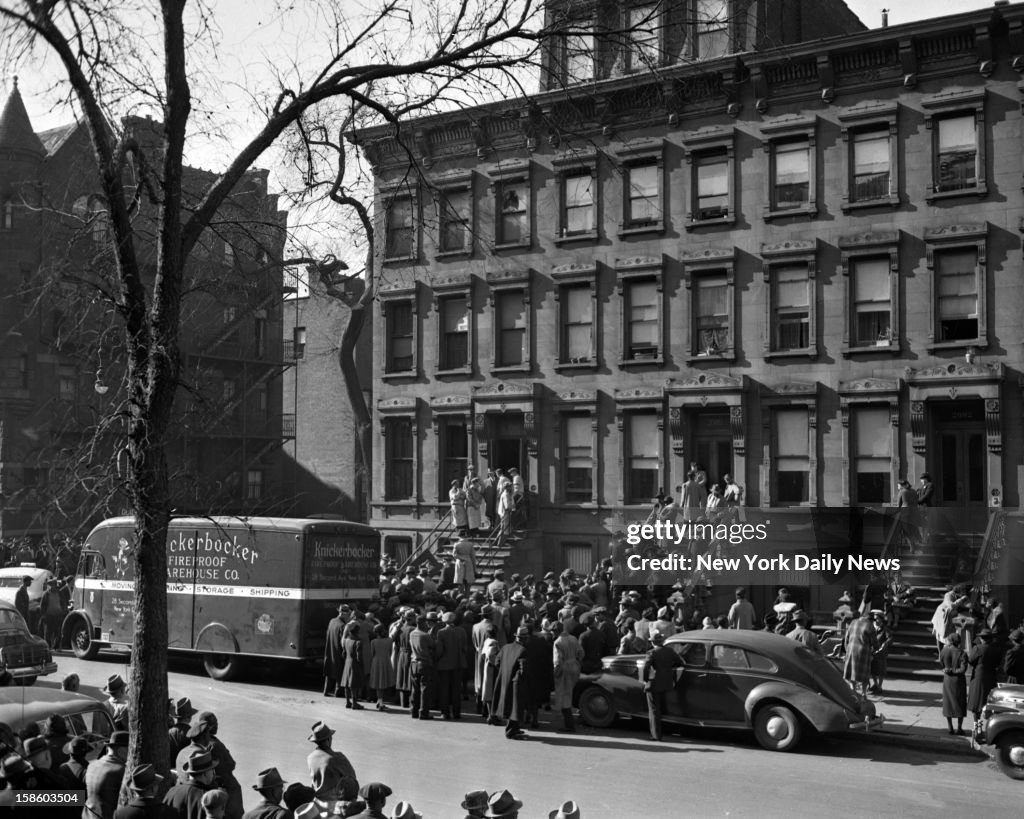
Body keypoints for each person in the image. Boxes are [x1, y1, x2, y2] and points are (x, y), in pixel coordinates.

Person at [492, 626, 531, 739]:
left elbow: (497, 662)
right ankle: (511, 731)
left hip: (504, 680)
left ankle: (515, 728)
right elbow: (523, 669)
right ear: (524, 638)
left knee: (509, 705)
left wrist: (505, 671)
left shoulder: (505, 647)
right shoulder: (523, 650)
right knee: (515, 706)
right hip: (516, 683)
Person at [643, 631, 683, 741]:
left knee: (654, 710)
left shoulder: (651, 653)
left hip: (654, 684)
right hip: (666, 683)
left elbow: (646, 668)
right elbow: (680, 662)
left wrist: (645, 680)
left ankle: (656, 735)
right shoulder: (670, 651)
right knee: (661, 707)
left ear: (653, 643)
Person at [306, 721, 358, 800]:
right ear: (328, 739)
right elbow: (352, 778)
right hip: (334, 801)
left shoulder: (310, 757)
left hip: (317, 800)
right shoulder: (337, 758)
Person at [84, 730, 130, 819]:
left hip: (88, 815)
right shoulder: (121, 770)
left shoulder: (92, 765)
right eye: (129, 750)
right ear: (121, 751)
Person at [164, 748, 217, 819]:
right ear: (205, 773)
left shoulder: (172, 792)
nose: (213, 773)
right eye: (212, 770)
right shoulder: (207, 798)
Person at [551, 620, 582, 733]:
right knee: (570, 693)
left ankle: (569, 724)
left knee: (564, 696)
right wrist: (577, 663)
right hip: (575, 666)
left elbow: (557, 661)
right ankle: (570, 723)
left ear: (556, 631)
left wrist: (555, 673)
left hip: (564, 669)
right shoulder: (573, 638)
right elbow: (581, 653)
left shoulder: (557, 642)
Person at [436, 611, 468, 720]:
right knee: (456, 690)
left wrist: (437, 659)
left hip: (444, 665)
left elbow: (439, 650)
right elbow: (465, 647)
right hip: (458, 663)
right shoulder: (461, 631)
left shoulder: (441, 632)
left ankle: (445, 713)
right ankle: (456, 712)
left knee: (444, 690)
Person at [409, 615, 438, 720]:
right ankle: (423, 712)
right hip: (424, 663)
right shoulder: (425, 635)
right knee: (425, 689)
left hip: (413, 663)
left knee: (415, 688)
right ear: (422, 623)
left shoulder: (412, 634)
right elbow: (434, 645)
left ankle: (413, 710)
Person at [967, 629, 1001, 721]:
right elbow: (998, 663)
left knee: (977, 704)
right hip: (991, 677)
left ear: (981, 639)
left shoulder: (977, 648)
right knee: (989, 704)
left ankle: (977, 727)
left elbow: (970, 660)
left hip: (979, 678)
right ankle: (988, 727)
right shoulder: (996, 650)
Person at [940, 632, 968, 735]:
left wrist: (948, 670)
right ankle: (959, 728)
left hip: (947, 680)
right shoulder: (962, 653)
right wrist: (953, 670)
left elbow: (941, 663)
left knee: (948, 703)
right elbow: (963, 669)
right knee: (960, 703)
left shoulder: (944, 650)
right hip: (958, 681)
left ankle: (950, 727)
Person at [843, 610, 876, 697]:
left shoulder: (853, 622)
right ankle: (863, 693)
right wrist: (875, 650)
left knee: (852, 672)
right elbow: (874, 642)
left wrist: (847, 649)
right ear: (870, 619)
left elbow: (846, 637)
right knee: (864, 673)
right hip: (863, 651)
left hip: (851, 649)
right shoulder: (870, 625)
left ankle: (852, 689)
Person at [931, 589, 967, 657]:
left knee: (946, 637)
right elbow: (951, 606)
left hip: (948, 618)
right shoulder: (948, 595)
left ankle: (945, 656)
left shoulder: (958, 595)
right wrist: (961, 599)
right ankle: (940, 655)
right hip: (941, 616)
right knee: (939, 636)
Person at [369, 623, 396, 711]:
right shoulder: (389, 640)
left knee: (378, 683)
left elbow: (372, 653)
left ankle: (380, 701)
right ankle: (380, 702)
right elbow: (390, 652)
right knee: (383, 682)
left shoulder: (373, 641)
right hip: (386, 661)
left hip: (376, 662)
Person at [323, 603, 348, 697]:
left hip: (329, 650)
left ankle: (326, 690)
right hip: (338, 652)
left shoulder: (332, 621)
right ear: (345, 614)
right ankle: (338, 692)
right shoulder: (343, 625)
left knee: (329, 671)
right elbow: (343, 641)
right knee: (339, 671)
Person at [168, 697, 199, 770]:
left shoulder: (169, 732)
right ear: (189, 717)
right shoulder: (192, 733)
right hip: (185, 770)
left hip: (171, 769)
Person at [341, 619, 365, 710]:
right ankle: (354, 703)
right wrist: (361, 665)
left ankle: (347, 702)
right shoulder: (358, 642)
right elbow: (359, 657)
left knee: (347, 683)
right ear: (357, 630)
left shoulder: (346, 640)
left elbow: (343, 653)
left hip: (347, 662)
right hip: (354, 664)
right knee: (354, 684)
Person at [870, 610, 892, 694]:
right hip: (873, 651)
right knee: (872, 669)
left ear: (882, 619)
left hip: (881, 653)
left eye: (877, 619)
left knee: (880, 670)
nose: (876, 621)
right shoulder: (873, 628)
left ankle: (880, 686)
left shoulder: (885, 629)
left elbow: (889, 638)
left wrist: (884, 645)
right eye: (875, 619)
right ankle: (875, 684)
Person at [40, 578, 66, 649]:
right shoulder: (46, 594)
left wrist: (63, 612)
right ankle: (48, 647)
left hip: (58, 616)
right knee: (48, 633)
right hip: (49, 616)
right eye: (51, 585)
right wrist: (43, 615)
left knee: (58, 633)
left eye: (54, 585)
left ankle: (56, 647)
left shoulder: (60, 593)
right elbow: (42, 605)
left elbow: (63, 603)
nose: (52, 587)